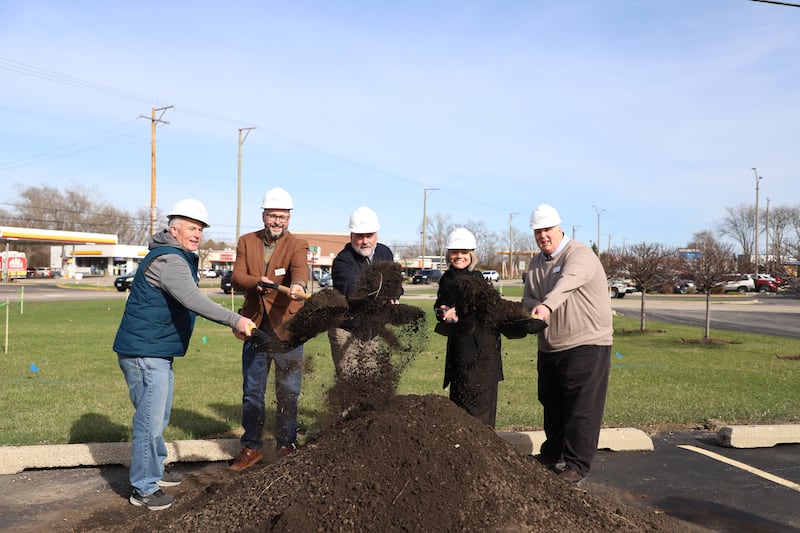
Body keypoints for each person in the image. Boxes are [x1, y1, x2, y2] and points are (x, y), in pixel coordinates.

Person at [113, 199, 256, 511]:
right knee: (149, 420)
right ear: (174, 229)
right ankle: (144, 487)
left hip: (155, 350)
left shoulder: (173, 255)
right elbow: (193, 299)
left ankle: (154, 469)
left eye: (200, 229)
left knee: (158, 416)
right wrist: (234, 319)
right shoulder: (170, 260)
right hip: (145, 352)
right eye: (192, 228)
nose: (197, 234)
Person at [521, 204, 613, 485]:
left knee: (581, 407)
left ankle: (577, 465)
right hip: (550, 346)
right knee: (551, 403)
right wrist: (534, 305)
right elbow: (527, 297)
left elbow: (566, 284)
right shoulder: (536, 263)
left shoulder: (579, 255)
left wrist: (546, 306)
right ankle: (553, 454)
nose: (543, 236)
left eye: (547, 229)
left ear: (559, 228)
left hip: (586, 342)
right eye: (538, 231)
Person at [228, 187, 310, 471]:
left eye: (282, 217)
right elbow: (237, 276)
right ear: (263, 215)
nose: (277, 221)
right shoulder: (247, 241)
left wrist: (298, 285)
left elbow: (300, 270)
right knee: (253, 391)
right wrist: (256, 283)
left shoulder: (297, 244)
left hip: (288, 329)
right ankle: (252, 447)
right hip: (255, 327)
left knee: (288, 392)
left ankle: (286, 445)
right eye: (273, 215)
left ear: (289, 218)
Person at [434, 227, 504, 428]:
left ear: (471, 254)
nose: (459, 256)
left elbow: (483, 309)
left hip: (481, 354)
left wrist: (459, 311)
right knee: (460, 412)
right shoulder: (446, 279)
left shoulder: (477, 279)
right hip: (458, 354)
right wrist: (442, 312)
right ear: (448, 254)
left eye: (464, 252)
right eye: (455, 252)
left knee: (480, 415)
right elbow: (440, 305)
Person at [327, 206, 395, 379]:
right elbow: (353, 292)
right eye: (359, 236)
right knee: (349, 380)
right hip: (345, 328)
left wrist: (394, 294)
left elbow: (394, 281)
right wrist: (382, 292)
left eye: (369, 235)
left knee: (368, 378)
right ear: (351, 236)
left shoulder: (385, 253)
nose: (365, 241)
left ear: (376, 235)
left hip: (371, 327)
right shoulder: (343, 261)